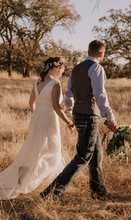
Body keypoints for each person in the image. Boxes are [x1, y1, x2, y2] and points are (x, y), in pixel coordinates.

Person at [0, 57, 74, 200]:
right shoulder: (55, 83)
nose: (61, 74)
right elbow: (56, 107)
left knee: (35, 149)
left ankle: (39, 180)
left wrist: (37, 115)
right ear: (57, 68)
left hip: (37, 119)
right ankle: (47, 184)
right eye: (62, 70)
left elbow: (31, 102)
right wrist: (69, 122)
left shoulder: (37, 82)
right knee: (52, 150)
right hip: (49, 120)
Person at [41, 40, 118, 199]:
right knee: (83, 156)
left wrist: (70, 113)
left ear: (88, 51)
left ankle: (99, 193)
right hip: (90, 116)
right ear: (102, 54)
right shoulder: (96, 68)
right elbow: (100, 95)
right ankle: (50, 193)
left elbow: (68, 93)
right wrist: (109, 116)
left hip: (78, 115)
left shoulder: (76, 69)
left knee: (96, 154)